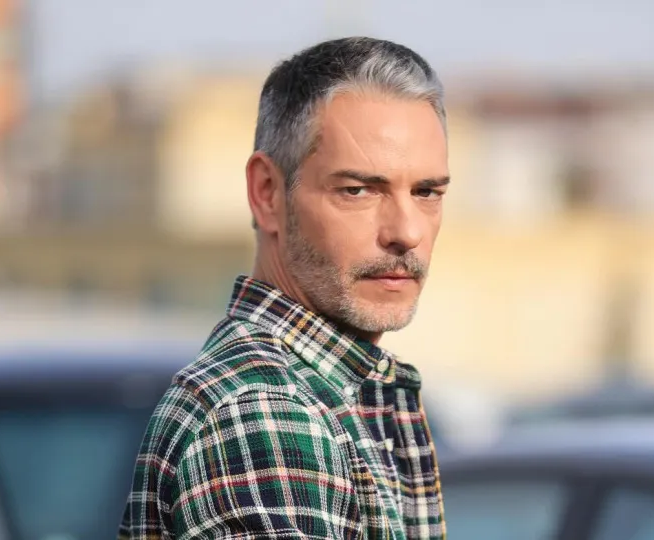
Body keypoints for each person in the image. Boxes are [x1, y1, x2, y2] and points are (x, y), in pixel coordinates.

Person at [118, 37, 450, 540]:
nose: (407, 231)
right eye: (358, 190)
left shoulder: (326, 394)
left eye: (426, 192)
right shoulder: (266, 411)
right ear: (267, 193)